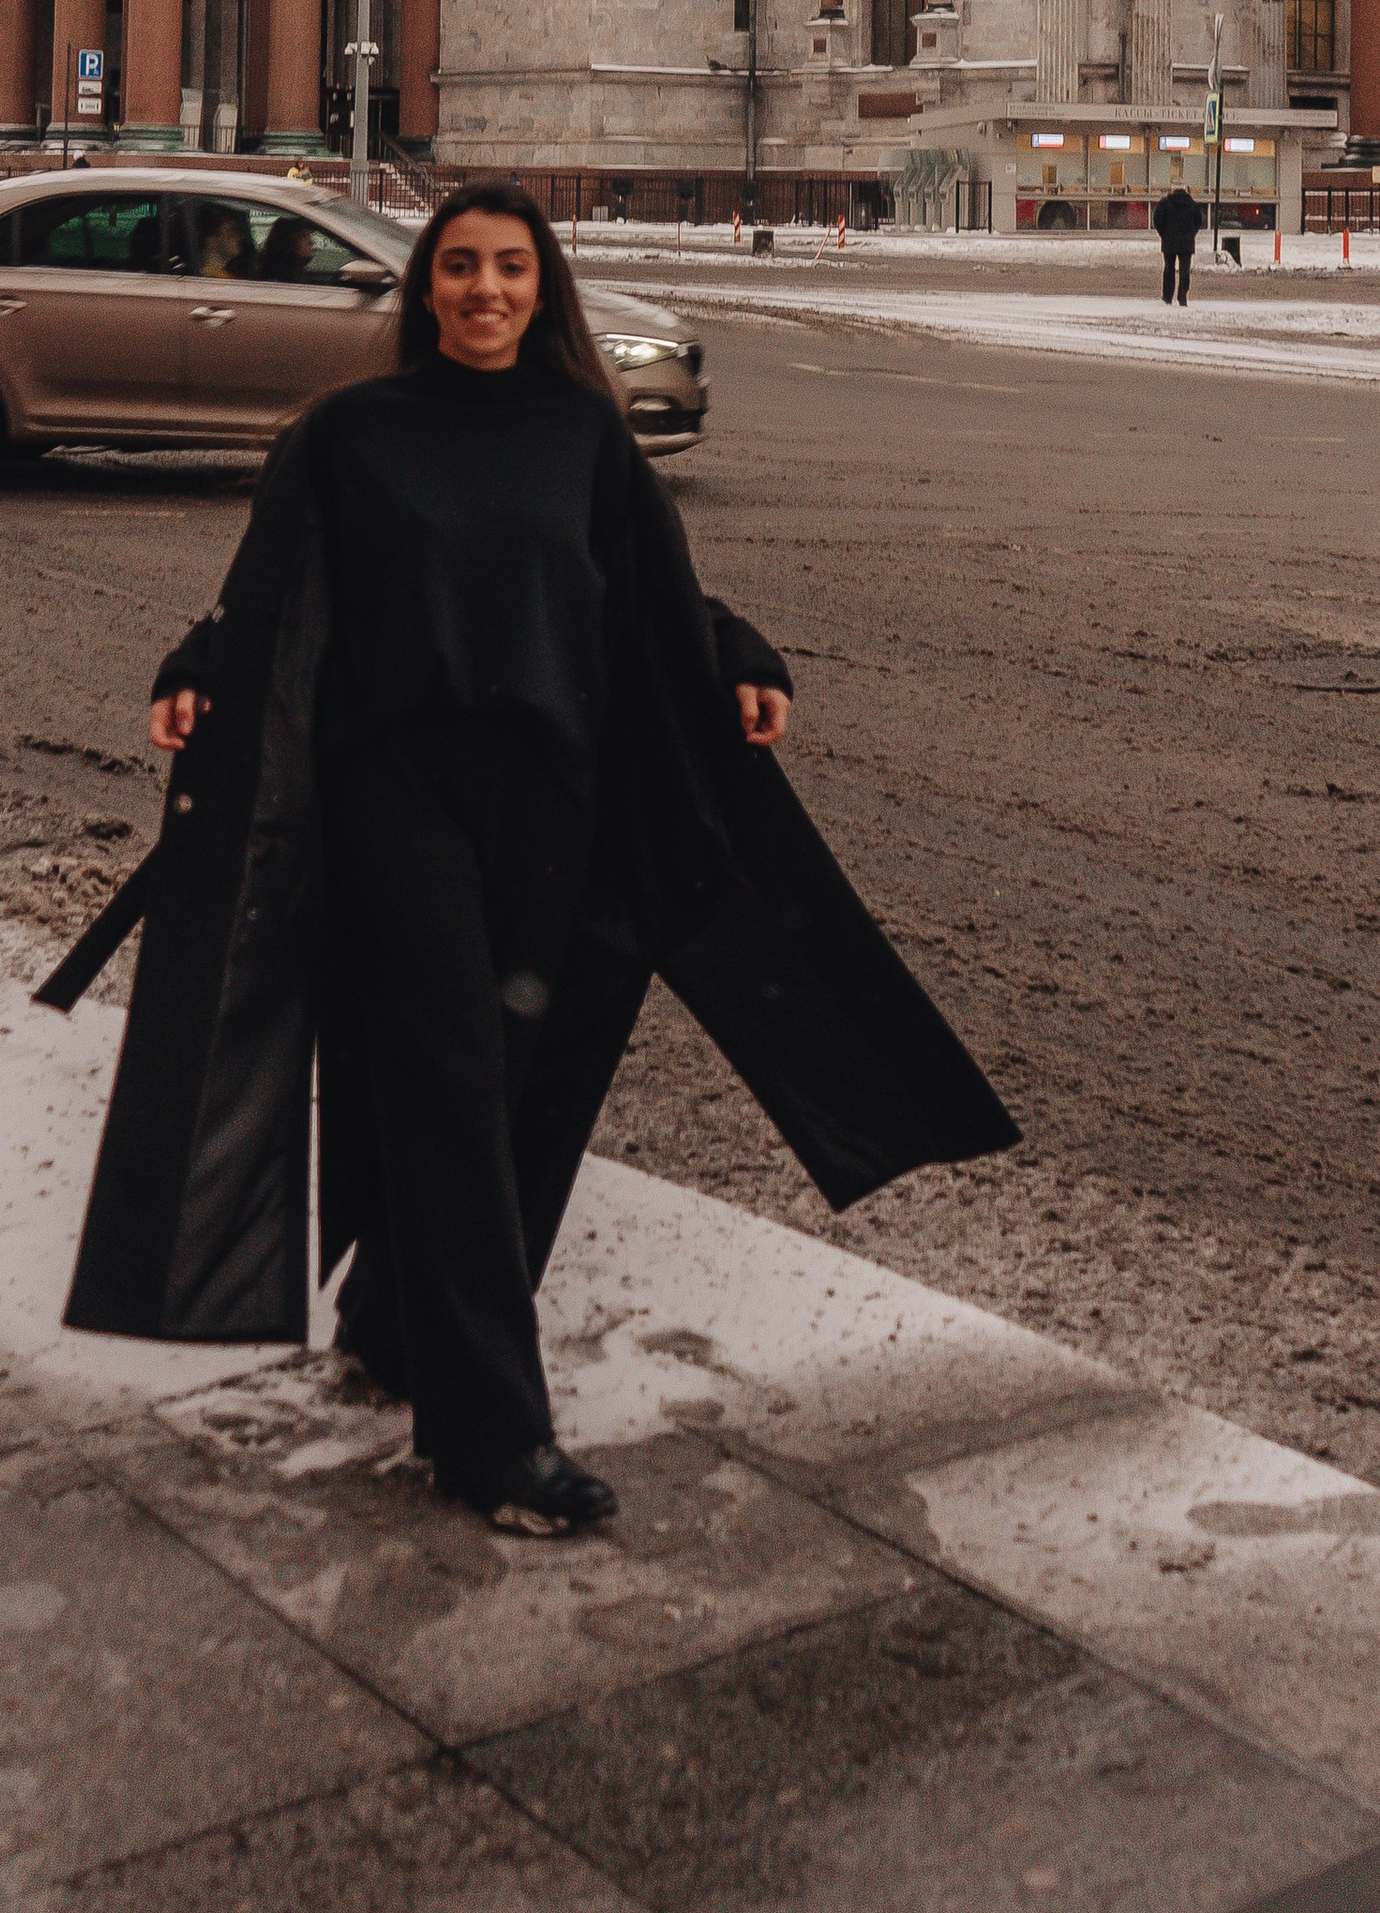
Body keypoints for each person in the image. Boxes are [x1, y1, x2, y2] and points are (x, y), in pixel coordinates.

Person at [56, 181, 1014, 1540]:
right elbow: (273, 586)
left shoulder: (584, 436)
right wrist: (198, 671)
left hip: (556, 805)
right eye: (461, 269)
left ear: (541, 289)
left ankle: (397, 1318)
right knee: (451, 1081)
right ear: (426, 290)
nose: (486, 290)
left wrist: (737, 658)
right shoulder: (352, 435)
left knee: (522, 1085)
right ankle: (493, 1437)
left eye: (511, 269)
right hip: (402, 802)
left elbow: (645, 590)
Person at [1153, 176, 1202, 306]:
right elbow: (1198, 221)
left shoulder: (1165, 203)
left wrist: (1164, 234)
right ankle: (1182, 297)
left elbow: (1157, 220)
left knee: (1169, 268)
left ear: (1173, 188)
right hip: (1187, 242)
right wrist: (1191, 234)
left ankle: (1168, 297)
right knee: (1185, 270)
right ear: (1185, 188)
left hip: (1169, 241)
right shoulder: (1192, 204)